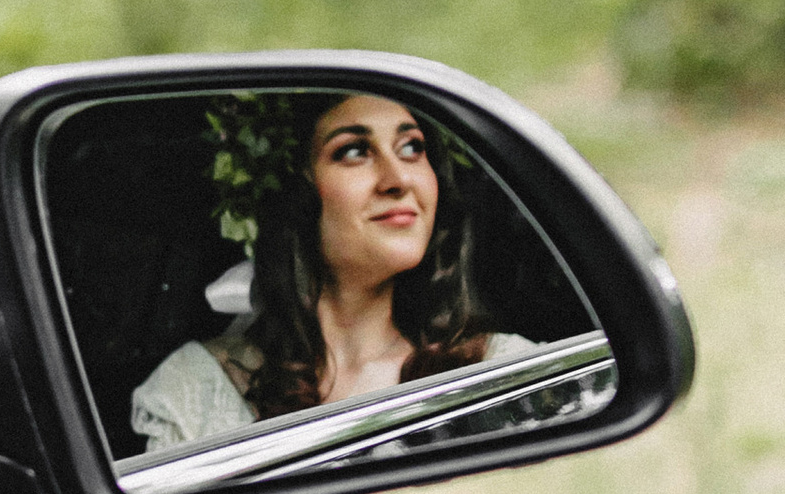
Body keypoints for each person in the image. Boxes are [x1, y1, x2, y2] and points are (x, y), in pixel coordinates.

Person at [131, 91, 541, 456]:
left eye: (411, 147)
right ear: (297, 194)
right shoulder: (195, 389)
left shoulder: (506, 371)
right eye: (353, 151)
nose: (398, 179)